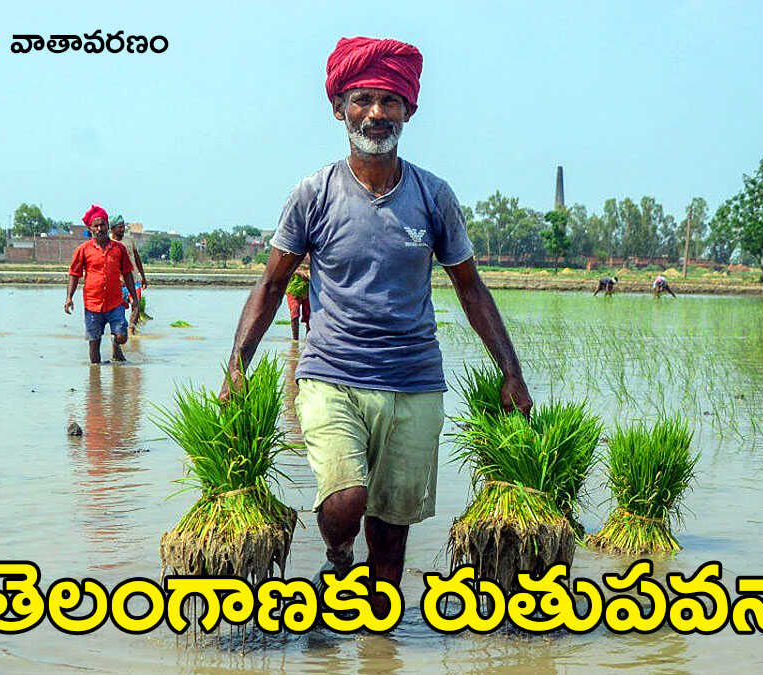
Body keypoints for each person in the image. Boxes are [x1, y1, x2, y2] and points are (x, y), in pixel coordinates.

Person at [218, 36, 532, 616]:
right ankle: (337, 554)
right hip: (331, 374)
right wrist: (238, 365)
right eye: (363, 99)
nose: (376, 113)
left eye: (390, 101)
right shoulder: (313, 194)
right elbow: (268, 285)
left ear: (409, 110)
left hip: (414, 380)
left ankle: (379, 637)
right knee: (346, 500)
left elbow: (470, 286)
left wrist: (511, 372)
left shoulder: (433, 196)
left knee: (391, 533)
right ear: (339, 108)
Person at [65, 205, 138, 363]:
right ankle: (95, 382)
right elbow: (74, 274)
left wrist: (134, 297)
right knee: (94, 344)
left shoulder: (119, 249)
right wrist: (69, 297)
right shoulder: (83, 250)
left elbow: (127, 273)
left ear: (107, 226)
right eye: (96, 226)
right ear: (90, 229)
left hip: (115, 302)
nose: (99, 228)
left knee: (122, 336)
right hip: (93, 304)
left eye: (102, 225)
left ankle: (115, 344)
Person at [110, 215, 148, 333]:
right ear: (112, 228)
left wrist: (143, 277)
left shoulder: (129, 240)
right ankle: (119, 331)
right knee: (117, 309)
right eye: (119, 227)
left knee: (135, 303)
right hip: (117, 283)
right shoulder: (108, 243)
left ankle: (131, 329)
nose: (122, 230)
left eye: (123, 227)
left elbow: (137, 258)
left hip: (134, 279)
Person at [285, 257, 311, 341]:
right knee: (294, 311)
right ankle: (295, 340)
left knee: (309, 314)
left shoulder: (314, 252)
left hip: (308, 287)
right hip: (294, 287)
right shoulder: (294, 251)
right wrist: (298, 272)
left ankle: (308, 340)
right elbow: (287, 268)